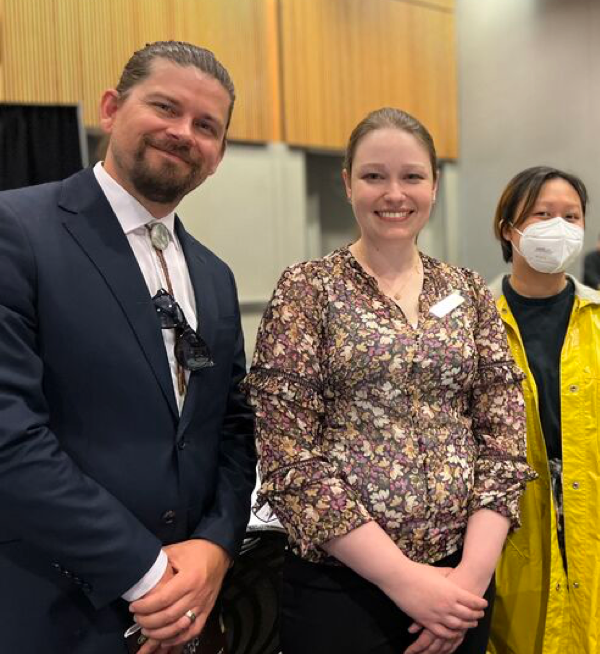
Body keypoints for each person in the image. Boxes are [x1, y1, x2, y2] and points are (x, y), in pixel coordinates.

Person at [243, 107, 534, 654]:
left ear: (435, 184)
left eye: (412, 176)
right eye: (374, 175)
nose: (393, 193)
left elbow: (503, 439)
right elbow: (289, 457)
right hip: (343, 588)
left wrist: (468, 581)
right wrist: (406, 581)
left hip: (460, 585)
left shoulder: (468, 290)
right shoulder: (308, 290)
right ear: (347, 181)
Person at [0, 41, 257, 653]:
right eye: (165, 107)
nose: (183, 133)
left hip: (187, 613)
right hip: (52, 606)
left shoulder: (214, 276)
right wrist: (148, 573)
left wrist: (216, 548)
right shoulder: (17, 230)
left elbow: (231, 427)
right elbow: (9, 435)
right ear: (111, 108)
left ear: (217, 156)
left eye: (206, 126)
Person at [487, 166, 600, 654]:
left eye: (571, 215)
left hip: (598, 518)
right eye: (542, 214)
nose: (559, 226)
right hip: (508, 520)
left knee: (597, 636)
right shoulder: (475, 319)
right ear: (509, 228)